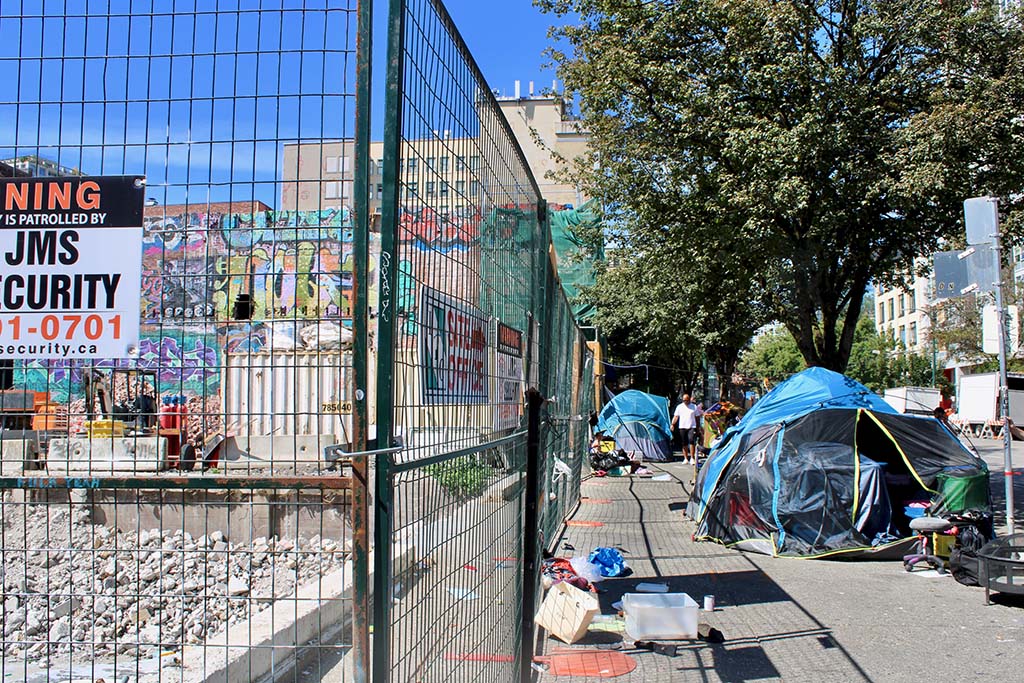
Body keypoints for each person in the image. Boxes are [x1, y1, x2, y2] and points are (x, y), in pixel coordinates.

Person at [671, 393, 704, 465]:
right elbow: (676, 416)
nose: (685, 401)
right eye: (683, 400)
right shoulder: (679, 407)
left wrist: (698, 427)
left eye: (686, 400)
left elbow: (697, 417)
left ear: (689, 400)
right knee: (684, 443)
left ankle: (692, 458)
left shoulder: (694, 407)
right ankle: (685, 458)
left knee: (691, 441)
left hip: (691, 426)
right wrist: (672, 424)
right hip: (682, 426)